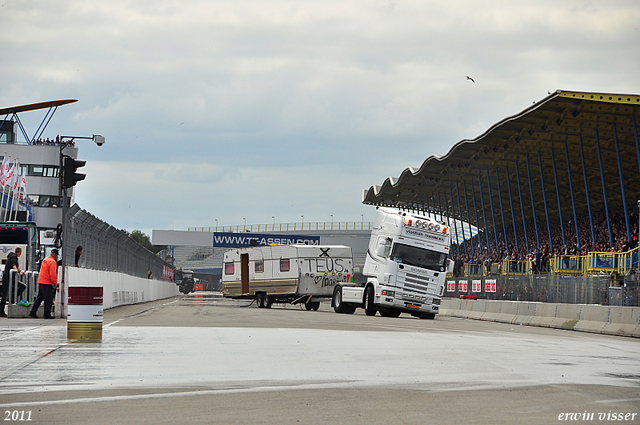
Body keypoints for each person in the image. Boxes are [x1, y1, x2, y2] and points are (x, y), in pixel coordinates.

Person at [29, 249, 58, 319]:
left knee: (39, 298)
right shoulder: (52, 262)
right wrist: (54, 283)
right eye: (57, 255)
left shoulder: (45, 260)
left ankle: (32, 312)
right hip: (47, 282)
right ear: (55, 255)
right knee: (48, 299)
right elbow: (53, 274)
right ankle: (47, 314)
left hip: (41, 281)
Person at [0, 247, 22, 317]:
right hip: (8, 279)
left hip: (9, 278)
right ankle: (1, 310)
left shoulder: (13, 256)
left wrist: (20, 271)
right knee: (5, 295)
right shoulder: (13, 256)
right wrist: (16, 270)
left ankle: (11, 298)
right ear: (20, 252)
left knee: (5, 295)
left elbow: (17, 266)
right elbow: (14, 265)